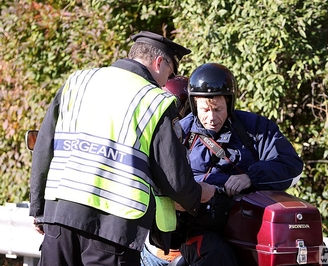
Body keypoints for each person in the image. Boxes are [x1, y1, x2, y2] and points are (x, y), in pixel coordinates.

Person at [28, 31, 216, 266]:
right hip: (112, 230)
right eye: (169, 74)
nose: (166, 82)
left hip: (59, 217)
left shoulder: (77, 82)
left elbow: (44, 148)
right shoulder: (155, 101)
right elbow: (173, 177)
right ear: (159, 63)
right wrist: (199, 194)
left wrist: (38, 208)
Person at [175, 62, 304, 265]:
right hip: (199, 227)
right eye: (204, 110)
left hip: (250, 224)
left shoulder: (255, 128)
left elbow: (291, 166)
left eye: (218, 109)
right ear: (193, 105)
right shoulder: (180, 134)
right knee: (218, 257)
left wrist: (251, 177)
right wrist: (199, 189)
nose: (211, 117)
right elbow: (164, 179)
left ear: (229, 102)